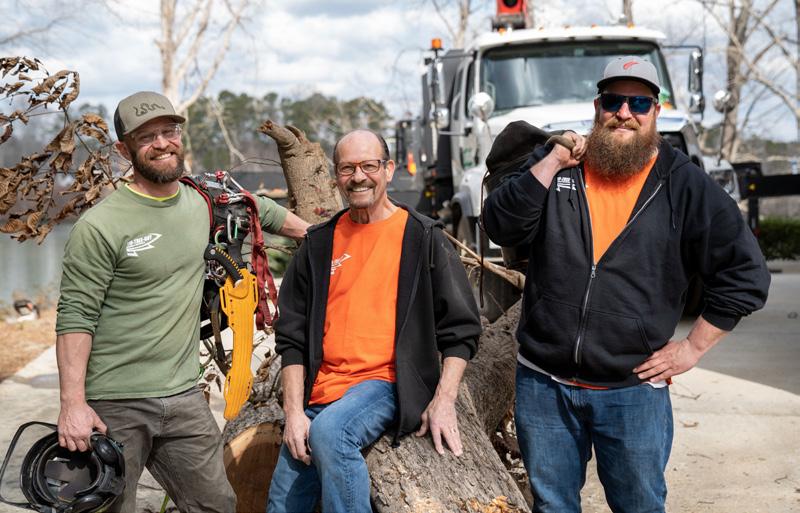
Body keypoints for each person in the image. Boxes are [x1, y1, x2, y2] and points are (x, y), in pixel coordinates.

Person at [482, 56, 770, 513]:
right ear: (598, 107)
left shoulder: (683, 185)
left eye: (638, 103)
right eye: (614, 101)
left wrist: (692, 348)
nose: (624, 113)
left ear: (656, 111)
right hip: (544, 384)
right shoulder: (562, 164)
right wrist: (553, 159)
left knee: (639, 507)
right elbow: (501, 225)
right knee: (552, 506)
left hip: (632, 392)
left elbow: (746, 273)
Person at [55, 91, 310, 513]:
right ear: (124, 150)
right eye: (146, 137)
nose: (162, 143)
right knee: (108, 508)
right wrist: (72, 404)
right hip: (115, 402)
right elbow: (75, 317)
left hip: (183, 398)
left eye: (169, 131)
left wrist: (330, 237)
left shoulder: (203, 202)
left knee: (218, 505)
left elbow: (260, 210)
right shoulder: (100, 226)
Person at [267, 129, 482, 512]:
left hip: (385, 384)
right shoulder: (318, 244)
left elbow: (462, 329)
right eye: (347, 168)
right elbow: (291, 339)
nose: (358, 177)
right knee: (281, 505)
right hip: (321, 392)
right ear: (336, 176)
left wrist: (444, 400)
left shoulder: (422, 237)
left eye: (368, 166)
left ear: (389, 169)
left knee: (332, 434)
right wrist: (294, 413)